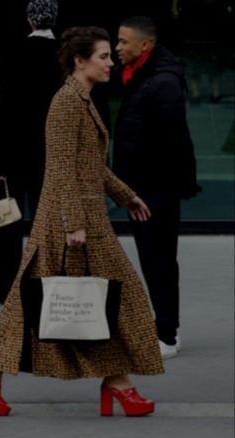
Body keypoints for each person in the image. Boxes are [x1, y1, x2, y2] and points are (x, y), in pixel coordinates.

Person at [0, 26, 163, 417]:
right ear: (81, 61)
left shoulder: (83, 100)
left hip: (85, 218)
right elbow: (62, 168)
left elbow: (91, 165)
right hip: (68, 222)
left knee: (113, 300)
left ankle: (118, 384)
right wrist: (71, 225)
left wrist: (126, 195)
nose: (110, 62)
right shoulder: (67, 102)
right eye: (103, 56)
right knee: (30, 304)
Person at [112, 16, 200, 360]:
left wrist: (153, 189)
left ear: (144, 45)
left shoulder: (161, 82)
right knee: (153, 259)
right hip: (144, 188)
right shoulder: (142, 76)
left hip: (154, 190)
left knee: (159, 260)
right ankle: (163, 327)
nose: (117, 49)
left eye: (123, 42)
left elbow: (173, 141)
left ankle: (167, 334)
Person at [0, 0, 62, 303]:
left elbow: (4, 111)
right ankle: (45, 282)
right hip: (52, 150)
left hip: (16, 151)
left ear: (30, 20)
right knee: (48, 219)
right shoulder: (64, 56)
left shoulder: (14, 54)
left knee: (8, 220)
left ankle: (5, 285)